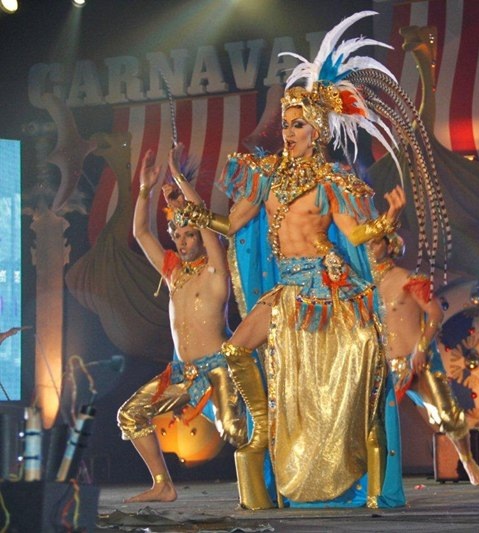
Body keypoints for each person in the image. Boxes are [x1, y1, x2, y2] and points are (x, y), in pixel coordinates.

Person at [169, 11, 437, 510]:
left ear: (315, 130)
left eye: (296, 125)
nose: (287, 132)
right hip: (287, 290)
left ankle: (366, 481)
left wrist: (385, 221)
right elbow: (232, 226)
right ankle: (263, 429)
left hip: (328, 290)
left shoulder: (332, 181)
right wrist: (191, 204)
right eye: (285, 124)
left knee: (351, 390)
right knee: (234, 351)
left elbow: (354, 232)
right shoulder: (266, 176)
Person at [117, 148, 247, 503]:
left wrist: (181, 184)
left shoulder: (215, 270)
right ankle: (163, 484)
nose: (183, 241)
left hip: (218, 370)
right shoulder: (173, 275)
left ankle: (273, 483)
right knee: (129, 415)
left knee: (235, 431)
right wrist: (145, 189)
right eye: (178, 235)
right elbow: (142, 232)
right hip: (181, 375)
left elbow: (207, 224)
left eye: (190, 235)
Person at [369, 233, 479, 486]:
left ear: (390, 246)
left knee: (447, 413)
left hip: (418, 359)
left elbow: (435, 313)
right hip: (386, 363)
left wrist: (421, 348)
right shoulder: (364, 285)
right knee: (373, 420)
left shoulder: (408, 279)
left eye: (376, 242)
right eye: (367, 243)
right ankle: (375, 477)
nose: (370, 247)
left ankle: (466, 459)